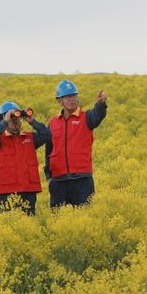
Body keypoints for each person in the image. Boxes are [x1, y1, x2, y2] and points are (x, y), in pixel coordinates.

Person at [44, 79, 108, 208]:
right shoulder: (53, 123)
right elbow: (49, 151)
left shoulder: (87, 117)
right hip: (58, 181)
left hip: (82, 179)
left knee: (85, 219)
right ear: (59, 101)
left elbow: (98, 115)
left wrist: (101, 104)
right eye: (67, 97)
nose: (71, 99)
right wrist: (49, 177)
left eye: (73, 96)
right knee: (58, 221)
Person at [0, 101, 52, 215]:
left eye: (17, 118)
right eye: (11, 119)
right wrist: (5, 121)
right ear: (3, 119)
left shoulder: (30, 138)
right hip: (6, 193)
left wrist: (32, 121)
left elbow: (47, 135)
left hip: (28, 192)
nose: (15, 121)